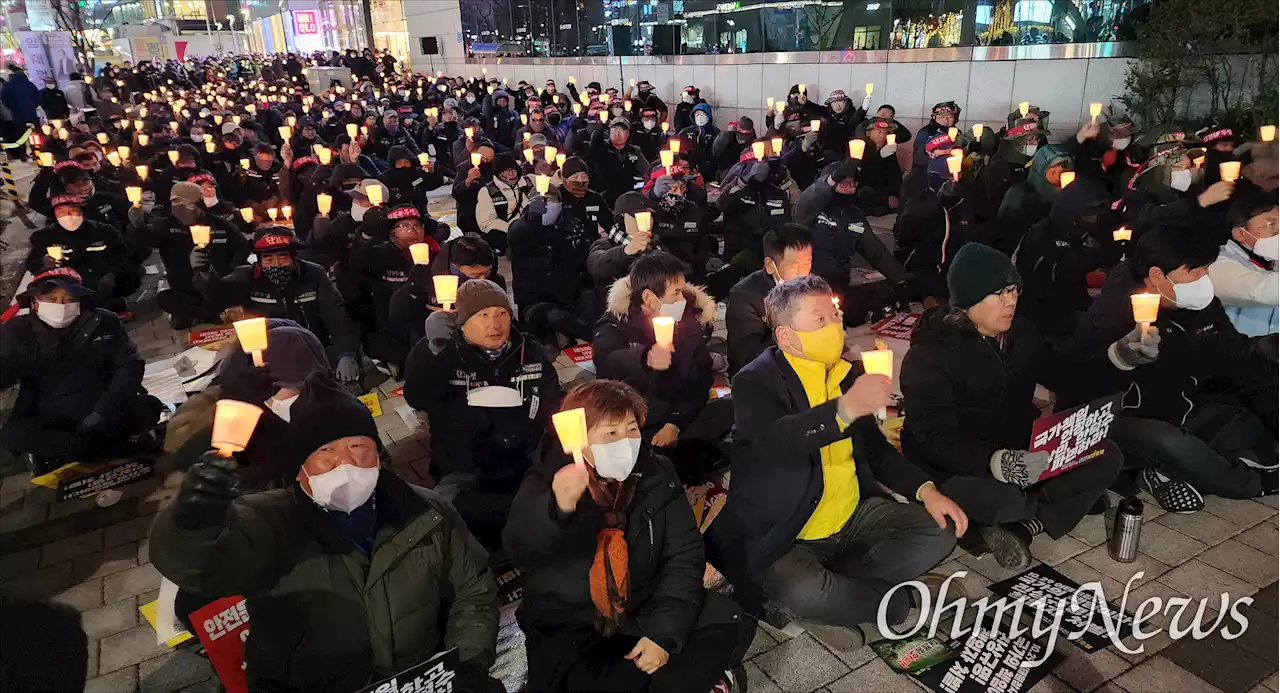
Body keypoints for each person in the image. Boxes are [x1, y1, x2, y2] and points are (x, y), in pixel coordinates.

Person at [150, 373, 503, 693]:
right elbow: (199, 565)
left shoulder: (427, 511)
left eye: (358, 448)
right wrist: (192, 521)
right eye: (326, 452)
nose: (346, 463)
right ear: (300, 468)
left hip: (416, 680)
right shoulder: (270, 521)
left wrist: (466, 666)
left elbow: (472, 591)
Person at [706, 275, 965, 650]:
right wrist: (842, 412)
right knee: (803, 588)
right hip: (788, 534)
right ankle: (901, 601)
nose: (835, 327)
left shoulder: (843, 375)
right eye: (820, 320)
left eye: (834, 315)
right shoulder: (755, 382)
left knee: (940, 529)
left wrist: (926, 491)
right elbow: (776, 442)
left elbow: (875, 451)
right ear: (786, 337)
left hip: (851, 516)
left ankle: (838, 602)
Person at [503, 379, 748, 693]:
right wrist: (559, 509)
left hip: (641, 604)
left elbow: (683, 554)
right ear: (581, 439)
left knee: (722, 620)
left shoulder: (657, 473)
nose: (626, 442)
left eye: (632, 429)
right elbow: (522, 548)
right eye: (610, 433)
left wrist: (663, 633)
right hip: (572, 622)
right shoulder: (551, 477)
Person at [900, 243, 1126, 568]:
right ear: (968, 300)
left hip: (1019, 444)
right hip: (956, 463)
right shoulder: (929, 356)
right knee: (1002, 500)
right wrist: (995, 462)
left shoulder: (1021, 333)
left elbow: (1067, 374)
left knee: (1107, 455)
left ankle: (1027, 523)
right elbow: (932, 438)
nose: (1011, 301)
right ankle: (1023, 514)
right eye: (998, 293)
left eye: (1013, 290)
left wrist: (1119, 358)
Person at [1068, 227, 1280, 510]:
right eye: (1195, 271)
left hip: (1184, 407)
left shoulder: (1199, 304)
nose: (1204, 279)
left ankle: (1169, 471)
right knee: (1168, 441)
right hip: (1120, 417)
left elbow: (1234, 353)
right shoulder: (1116, 311)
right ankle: (1252, 482)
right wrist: (1122, 357)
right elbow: (1079, 381)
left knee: (1245, 415)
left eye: (1206, 269)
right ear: (1157, 275)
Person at [403, 279, 558, 548]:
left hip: (523, 459)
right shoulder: (441, 351)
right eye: (482, 315)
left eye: (501, 314)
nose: (494, 323)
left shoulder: (529, 351)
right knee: (444, 523)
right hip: (465, 468)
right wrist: (435, 355)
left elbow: (553, 400)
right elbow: (418, 396)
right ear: (462, 322)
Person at [0, 268, 159, 473]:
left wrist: (100, 412)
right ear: (35, 302)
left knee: (149, 408)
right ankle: (111, 448)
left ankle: (69, 453)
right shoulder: (14, 332)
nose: (60, 305)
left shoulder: (104, 322)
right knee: (13, 435)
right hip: (47, 414)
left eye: (68, 299)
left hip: (100, 404)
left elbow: (129, 366)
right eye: (52, 298)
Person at [594, 252, 731, 454]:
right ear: (649, 297)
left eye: (682, 292)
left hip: (677, 413)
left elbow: (700, 378)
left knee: (730, 410)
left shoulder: (692, 321)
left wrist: (674, 423)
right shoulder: (616, 323)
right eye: (675, 293)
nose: (682, 299)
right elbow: (607, 360)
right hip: (633, 419)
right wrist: (644, 359)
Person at [205, 228, 363, 385]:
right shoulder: (245, 277)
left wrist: (347, 353)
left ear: (294, 258)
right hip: (266, 352)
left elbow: (336, 314)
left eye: (283, 257)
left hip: (310, 347)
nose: (276, 264)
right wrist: (205, 274)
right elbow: (219, 297)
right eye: (268, 259)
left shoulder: (315, 274)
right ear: (258, 261)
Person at [794, 160, 912, 324]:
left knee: (858, 311)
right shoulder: (812, 210)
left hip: (839, 283)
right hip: (809, 284)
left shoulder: (854, 215)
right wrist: (830, 181)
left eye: (853, 184)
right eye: (844, 183)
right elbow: (808, 200)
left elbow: (875, 251)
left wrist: (901, 279)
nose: (849, 187)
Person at [509, 158, 606, 346]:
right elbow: (518, 236)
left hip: (567, 297)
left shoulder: (566, 227)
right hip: (536, 303)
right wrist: (533, 217)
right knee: (554, 317)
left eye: (552, 203)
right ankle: (594, 338)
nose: (548, 207)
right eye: (543, 203)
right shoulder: (522, 229)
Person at [129, 182, 250, 328]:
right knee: (165, 298)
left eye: (185, 203)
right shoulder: (166, 226)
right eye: (175, 203)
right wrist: (138, 226)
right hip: (186, 289)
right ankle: (209, 314)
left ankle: (205, 313)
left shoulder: (219, 224)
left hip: (218, 285)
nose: (180, 208)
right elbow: (146, 241)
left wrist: (231, 269)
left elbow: (242, 247)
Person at [1013, 175, 1116, 339]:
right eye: (1090, 213)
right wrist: (1084, 282)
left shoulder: (1088, 236)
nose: (1095, 219)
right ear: (1074, 211)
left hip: (1084, 307)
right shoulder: (1041, 236)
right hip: (1044, 319)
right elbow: (1032, 287)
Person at [353, 204, 444, 375]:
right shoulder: (380, 254)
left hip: (427, 320)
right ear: (392, 232)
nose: (413, 230)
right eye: (405, 226)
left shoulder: (436, 252)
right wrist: (366, 234)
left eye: (417, 226)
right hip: (392, 325)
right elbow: (357, 263)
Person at [726, 225, 813, 375]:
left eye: (807, 263)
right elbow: (747, 355)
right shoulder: (745, 295)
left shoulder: (813, 287)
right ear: (770, 265)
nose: (803, 273)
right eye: (795, 265)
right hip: (761, 375)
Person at [26, 194, 139, 308]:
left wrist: (112, 274)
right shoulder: (44, 236)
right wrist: (44, 263)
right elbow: (32, 263)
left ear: (81, 212)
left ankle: (108, 300)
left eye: (73, 210)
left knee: (131, 276)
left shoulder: (103, 230)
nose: (68, 216)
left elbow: (123, 254)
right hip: (67, 282)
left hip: (100, 276)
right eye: (62, 212)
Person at [1207, 193, 1279, 337]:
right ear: (1241, 234)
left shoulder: (1271, 257)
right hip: (1239, 354)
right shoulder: (1219, 265)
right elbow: (1261, 291)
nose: (1278, 231)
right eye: (1271, 224)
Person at [591, 117, 649, 208]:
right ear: (610, 131)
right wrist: (601, 127)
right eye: (615, 129)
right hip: (605, 196)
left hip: (628, 196)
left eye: (622, 130)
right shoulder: (601, 148)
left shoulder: (634, 150)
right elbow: (594, 143)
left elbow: (647, 172)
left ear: (628, 133)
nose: (618, 133)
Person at [476, 153, 526, 255]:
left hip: (530, 224)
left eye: (513, 169)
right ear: (499, 173)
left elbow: (554, 184)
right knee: (495, 236)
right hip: (507, 229)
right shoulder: (488, 191)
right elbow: (486, 222)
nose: (511, 173)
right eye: (506, 171)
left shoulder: (529, 182)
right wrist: (513, 229)